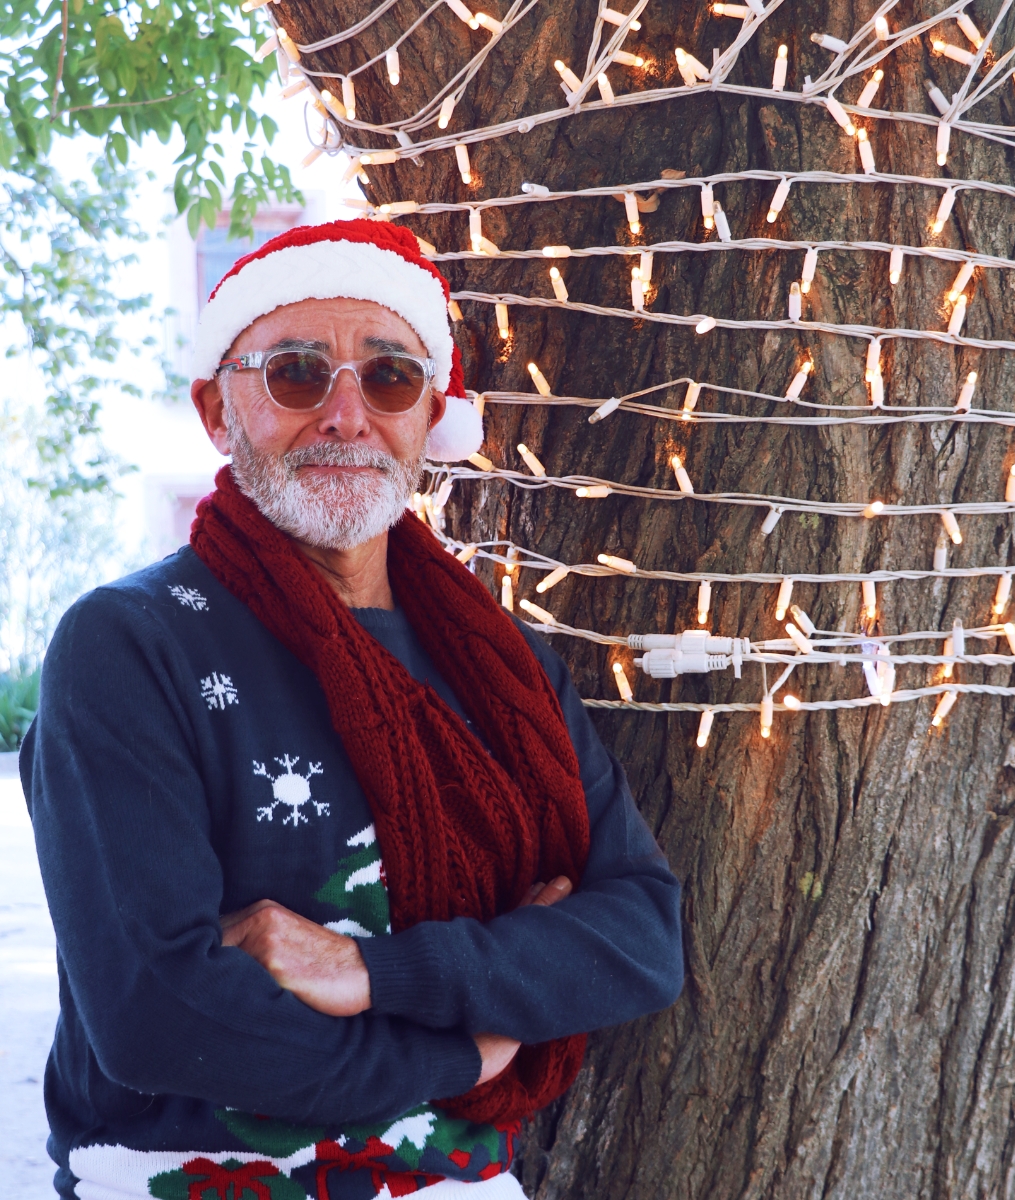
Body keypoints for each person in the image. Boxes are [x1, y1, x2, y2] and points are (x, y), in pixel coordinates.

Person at [20, 219, 684, 1200]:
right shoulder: (132, 644)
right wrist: (462, 1053)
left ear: (427, 416)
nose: (345, 414)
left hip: (461, 1182)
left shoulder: (505, 670)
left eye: (388, 378)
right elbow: (159, 1018)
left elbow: (639, 940)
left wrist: (374, 974)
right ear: (218, 411)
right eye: (295, 373)